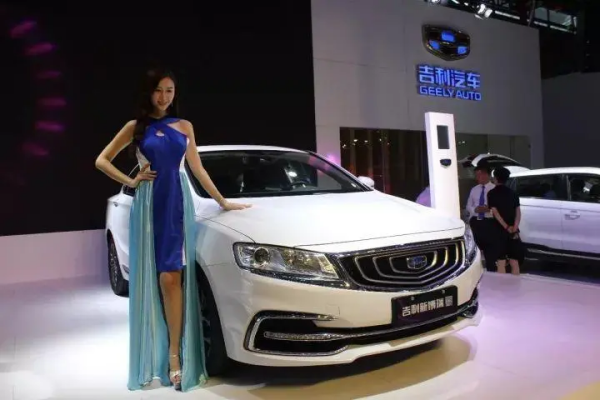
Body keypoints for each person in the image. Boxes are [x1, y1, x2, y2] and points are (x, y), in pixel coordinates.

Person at [95, 68, 251, 392]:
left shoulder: (184, 126)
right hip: (149, 205)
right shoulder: (136, 127)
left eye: (170, 90)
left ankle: (175, 356)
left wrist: (223, 201)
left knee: (171, 278)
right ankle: (157, 353)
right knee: (152, 279)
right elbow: (102, 160)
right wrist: (131, 180)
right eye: (159, 90)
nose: (164, 97)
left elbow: (197, 168)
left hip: (177, 204)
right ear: (149, 93)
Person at [488, 166, 522, 275]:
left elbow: (495, 213)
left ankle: (502, 284)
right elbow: (518, 212)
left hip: (499, 230)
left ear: (496, 178)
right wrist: (514, 227)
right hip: (513, 231)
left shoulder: (491, 193)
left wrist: (506, 227)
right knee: (514, 260)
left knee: (501, 261)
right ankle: (516, 283)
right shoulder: (513, 193)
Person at [465, 164, 496, 270]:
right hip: (476, 221)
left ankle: (491, 270)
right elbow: (468, 205)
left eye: (480, 175)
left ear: (487, 175)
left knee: (489, 250)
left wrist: (489, 210)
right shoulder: (474, 189)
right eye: (476, 175)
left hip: (489, 222)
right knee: (474, 249)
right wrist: (475, 210)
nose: (477, 177)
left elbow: (499, 208)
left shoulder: (494, 189)